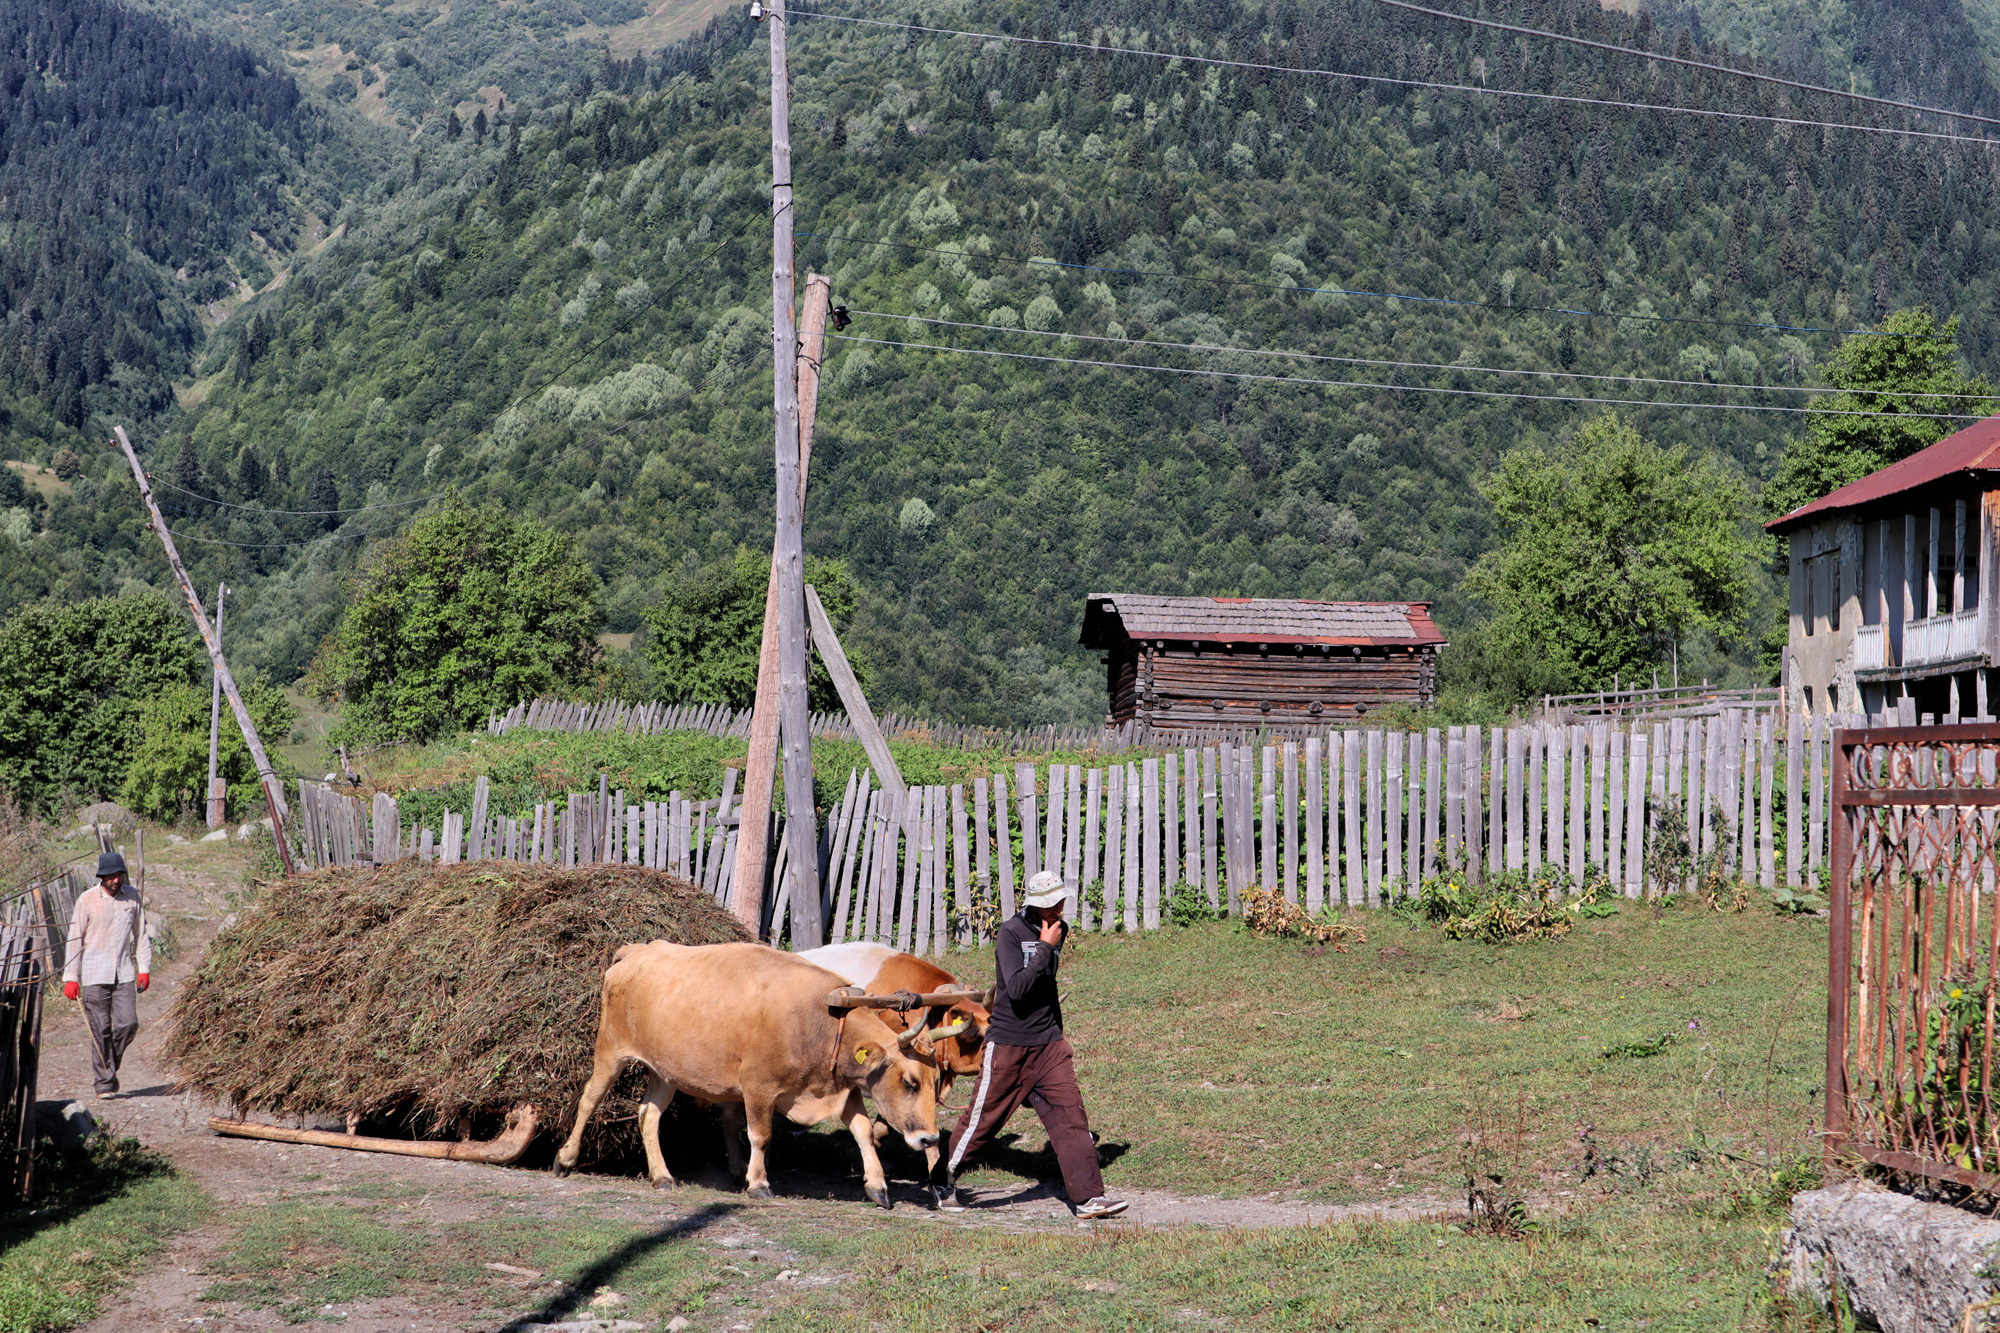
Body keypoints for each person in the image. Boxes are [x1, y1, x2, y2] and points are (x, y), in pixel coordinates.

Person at [930, 870, 1127, 1220]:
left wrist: (1058, 1034)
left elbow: (1045, 988)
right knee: (983, 1121)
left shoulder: (1059, 931)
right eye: (1050, 905)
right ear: (1035, 906)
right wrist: (1046, 947)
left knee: (1071, 1118)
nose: (1058, 910)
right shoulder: (1010, 934)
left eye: (1060, 903)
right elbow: (1018, 990)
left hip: (1048, 1046)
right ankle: (942, 1179)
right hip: (1009, 1045)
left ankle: (1088, 1199)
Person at [62, 851, 151, 1096]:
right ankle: (104, 1083)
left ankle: (107, 1065)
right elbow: (75, 938)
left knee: (128, 1023)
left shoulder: (132, 897)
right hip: (93, 975)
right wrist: (71, 976)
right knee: (100, 1029)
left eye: (119, 874)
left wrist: (144, 969)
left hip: (123, 973)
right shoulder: (87, 900)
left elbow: (141, 935)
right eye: (111, 875)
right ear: (102, 876)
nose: (115, 879)